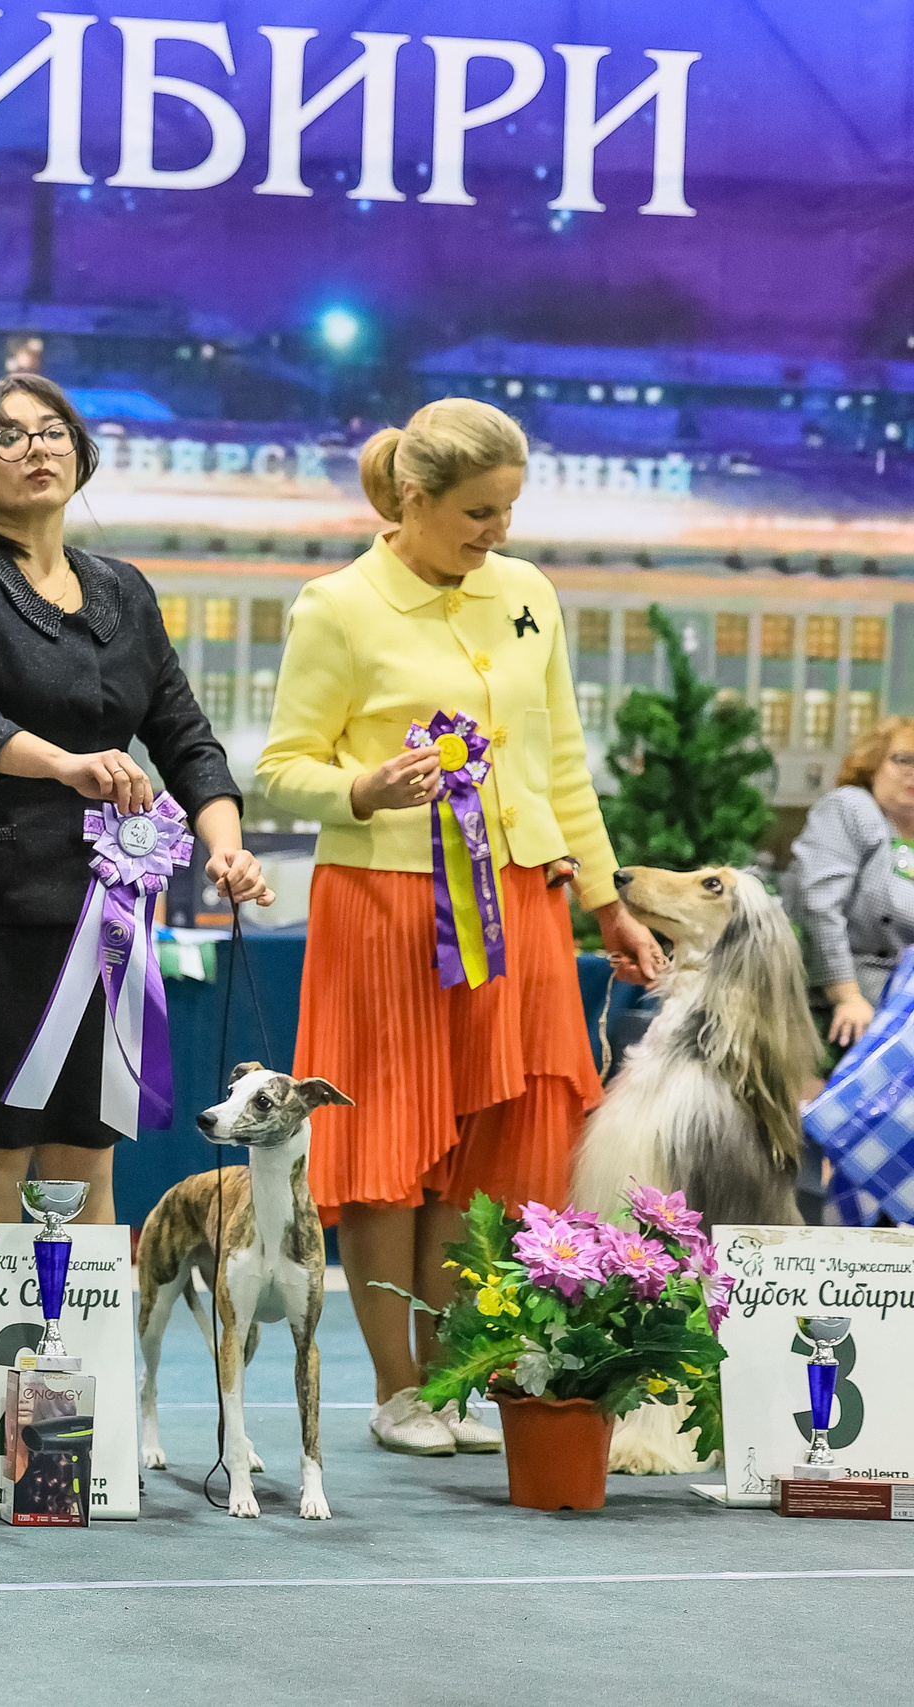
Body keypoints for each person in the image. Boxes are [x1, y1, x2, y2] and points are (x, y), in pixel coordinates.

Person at [257, 398, 666, 1457]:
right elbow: (278, 767)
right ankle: (397, 1391)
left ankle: (453, 1378)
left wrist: (605, 900)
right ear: (413, 499)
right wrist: (361, 789)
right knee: (388, 1146)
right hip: (384, 912)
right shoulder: (335, 607)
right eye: (479, 512)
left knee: (495, 1145)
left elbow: (559, 758)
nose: (499, 532)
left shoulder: (527, 595)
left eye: (508, 510)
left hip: (520, 906)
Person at [0, 375, 270, 1228]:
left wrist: (226, 844)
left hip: (104, 922)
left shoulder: (125, 590)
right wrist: (61, 763)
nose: (36, 448)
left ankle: (79, 1368)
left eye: (53, 430)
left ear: (81, 451)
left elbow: (186, 738)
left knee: (85, 1177)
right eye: (9, 437)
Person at [788, 718, 914, 1051]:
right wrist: (846, 995)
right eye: (903, 759)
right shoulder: (851, 808)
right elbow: (818, 904)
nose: (913, 772)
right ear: (872, 766)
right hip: (851, 1000)